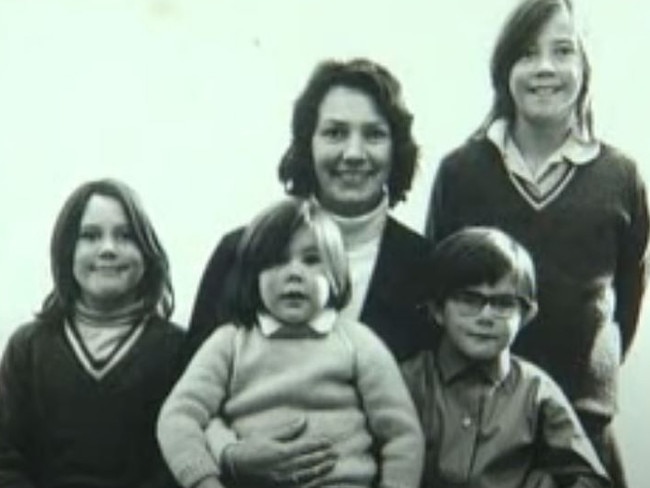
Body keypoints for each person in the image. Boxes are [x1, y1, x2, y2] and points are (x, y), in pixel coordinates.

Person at [425, 1, 648, 486]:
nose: (545, 68)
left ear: (584, 68)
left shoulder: (621, 177)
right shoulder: (461, 172)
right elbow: (435, 293)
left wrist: (591, 386)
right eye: (527, 53)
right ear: (504, 69)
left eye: (562, 51)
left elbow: (625, 306)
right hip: (476, 438)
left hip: (583, 431)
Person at [180, 58, 432, 487]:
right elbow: (189, 399)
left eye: (373, 134)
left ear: (396, 150)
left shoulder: (427, 268)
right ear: (307, 144)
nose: (353, 153)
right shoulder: (241, 252)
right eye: (335, 133)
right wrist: (231, 454)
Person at [157, 198, 424, 488]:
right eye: (277, 261)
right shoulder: (231, 342)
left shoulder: (357, 342)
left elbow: (402, 435)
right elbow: (178, 416)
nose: (294, 273)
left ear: (335, 273)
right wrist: (204, 480)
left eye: (311, 260)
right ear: (252, 275)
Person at [0, 179, 184, 488]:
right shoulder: (27, 349)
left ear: (148, 252)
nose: (108, 249)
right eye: (90, 236)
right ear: (66, 250)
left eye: (126, 236)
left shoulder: (178, 349)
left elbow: (179, 460)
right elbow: (5, 456)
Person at [402, 227, 610, 488]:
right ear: (437, 310)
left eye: (503, 303)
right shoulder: (407, 381)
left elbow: (590, 480)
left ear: (526, 315)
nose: (486, 316)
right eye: (469, 299)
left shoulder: (537, 391)